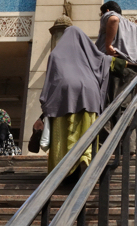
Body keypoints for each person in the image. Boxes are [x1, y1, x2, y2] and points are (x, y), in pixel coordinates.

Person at [39, 25, 126, 175]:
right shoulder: (90, 53)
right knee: (86, 133)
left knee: (62, 135)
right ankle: (85, 160)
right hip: (88, 95)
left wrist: (46, 104)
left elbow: (50, 82)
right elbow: (112, 63)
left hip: (62, 98)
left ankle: (62, 170)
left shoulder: (55, 55)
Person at [96, 1, 137, 150]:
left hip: (113, 66)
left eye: (101, 14)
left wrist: (109, 45)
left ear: (107, 10)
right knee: (126, 107)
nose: (101, 17)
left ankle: (105, 146)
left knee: (107, 104)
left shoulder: (110, 15)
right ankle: (129, 147)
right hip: (130, 70)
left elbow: (113, 20)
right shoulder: (133, 27)